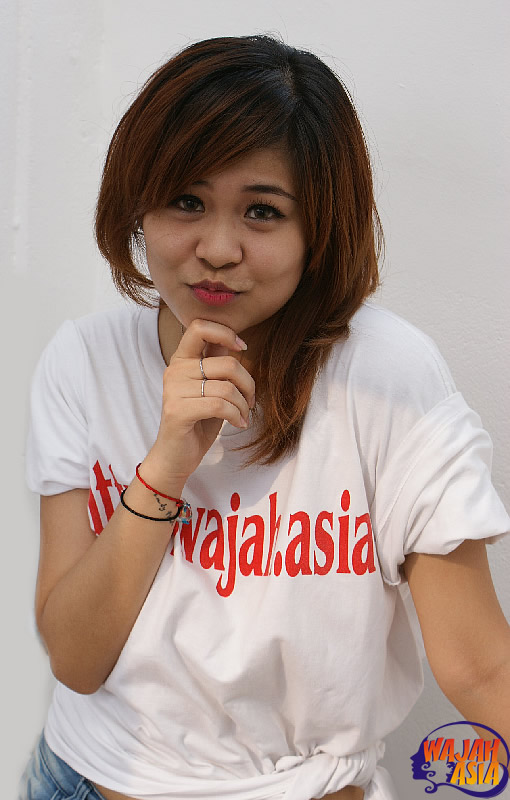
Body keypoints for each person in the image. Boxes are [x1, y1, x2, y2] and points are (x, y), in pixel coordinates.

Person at [20, 33, 510, 800]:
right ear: (138, 203)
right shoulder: (84, 362)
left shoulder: (388, 378)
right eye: (187, 201)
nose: (218, 248)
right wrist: (166, 465)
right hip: (83, 780)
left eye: (262, 211)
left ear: (319, 231)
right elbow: (76, 661)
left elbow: (481, 668)